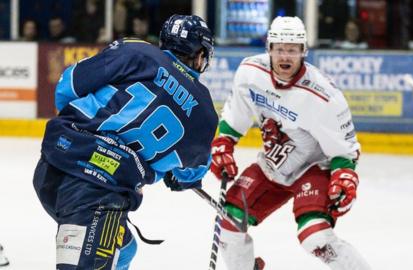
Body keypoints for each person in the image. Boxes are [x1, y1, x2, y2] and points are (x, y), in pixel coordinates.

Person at [33, 14, 217, 269]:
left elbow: (66, 88)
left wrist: (84, 138)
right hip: (98, 194)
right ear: (200, 56)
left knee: (124, 250)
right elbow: (189, 173)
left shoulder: (137, 51)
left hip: (53, 163)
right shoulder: (205, 113)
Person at [210, 16, 371, 270]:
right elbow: (234, 118)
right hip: (273, 165)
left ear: (304, 51)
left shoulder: (324, 95)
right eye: (280, 49)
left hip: (314, 168)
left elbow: (345, 150)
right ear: (269, 49)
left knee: (315, 237)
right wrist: (223, 144)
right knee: (229, 223)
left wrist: (344, 175)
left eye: (293, 50)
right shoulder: (250, 73)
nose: (286, 56)